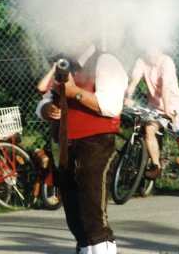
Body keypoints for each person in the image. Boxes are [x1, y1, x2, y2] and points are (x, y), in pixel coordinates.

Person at [36, 42, 128, 254]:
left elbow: (112, 106)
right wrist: (47, 109)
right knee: (77, 221)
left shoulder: (105, 61)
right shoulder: (65, 64)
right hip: (66, 149)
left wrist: (75, 92)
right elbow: (42, 102)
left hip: (95, 146)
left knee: (93, 220)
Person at [124, 47, 179, 197]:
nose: (150, 54)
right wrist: (128, 96)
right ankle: (156, 166)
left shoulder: (166, 62)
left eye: (153, 50)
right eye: (148, 50)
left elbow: (165, 88)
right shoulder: (141, 61)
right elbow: (135, 80)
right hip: (155, 107)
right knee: (149, 131)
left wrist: (168, 110)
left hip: (175, 106)